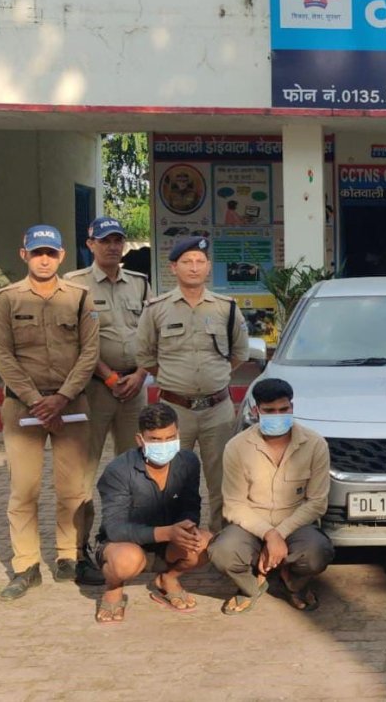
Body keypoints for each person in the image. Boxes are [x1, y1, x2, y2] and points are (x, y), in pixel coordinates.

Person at [0, 225, 100, 600]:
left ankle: (69, 556)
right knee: (24, 490)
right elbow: (2, 355)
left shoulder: (80, 298)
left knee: (72, 488)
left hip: (71, 404)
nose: (44, 259)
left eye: (50, 253)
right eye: (37, 253)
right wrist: (36, 399)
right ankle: (26, 565)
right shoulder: (6, 299)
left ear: (62, 256)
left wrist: (63, 397)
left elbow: (89, 352)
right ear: (24, 255)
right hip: (23, 407)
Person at [136, 236, 248, 533]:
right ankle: (175, 541)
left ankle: (222, 539)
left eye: (200, 261)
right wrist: (176, 379)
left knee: (222, 480)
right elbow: (144, 355)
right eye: (187, 262)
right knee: (170, 478)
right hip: (175, 410)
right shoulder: (156, 309)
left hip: (217, 409)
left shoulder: (226, 308)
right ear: (174, 267)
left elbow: (239, 353)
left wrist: (214, 376)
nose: (194, 267)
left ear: (209, 267)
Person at [64, 216, 150, 581]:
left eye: (118, 240)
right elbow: (74, 340)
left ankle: (124, 540)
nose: (113, 246)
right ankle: (77, 550)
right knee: (83, 472)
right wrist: (110, 376)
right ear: (91, 245)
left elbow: (151, 334)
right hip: (95, 389)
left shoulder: (140, 283)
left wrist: (140, 374)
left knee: (135, 469)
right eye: (105, 241)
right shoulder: (75, 284)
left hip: (135, 386)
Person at [208, 378, 334, 615]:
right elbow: (234, 504)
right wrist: (268, 534)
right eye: (269, 411)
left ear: (292, 407)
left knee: (317, 552)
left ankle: (293, 583)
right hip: (250, 525)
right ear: (256, 411)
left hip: (295, 523)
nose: (278, 416)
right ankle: (250, 586)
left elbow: (317, 502)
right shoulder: (236, 447)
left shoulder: (315, 444)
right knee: (223, 552)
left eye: (283, 409)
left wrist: (279, 534)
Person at [93, 403, 211, 623]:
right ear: (140, 440)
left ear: (178, 435)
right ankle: (114, 588)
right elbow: (114, 529)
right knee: (127, 560)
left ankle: (168, 579)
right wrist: (167, 533)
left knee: (205, 543)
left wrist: (188, 527)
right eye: (155, 439)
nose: (164, 445)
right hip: (124, 545)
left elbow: (191, 504)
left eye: (170, 437)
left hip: (169, 544)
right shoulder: (118, 470)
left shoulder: (188, 461)